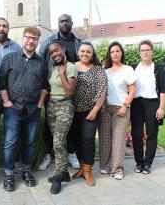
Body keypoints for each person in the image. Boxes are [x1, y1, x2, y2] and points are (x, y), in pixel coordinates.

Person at [0, 26, 48, 192]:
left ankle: (26, 170)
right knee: (10, 142)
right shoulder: (10, 58)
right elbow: (2, 82)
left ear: (37, 41)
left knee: (30, 141)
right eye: (28, 37)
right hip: (13, 108)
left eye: (34, 38)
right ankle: (9, 174)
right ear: (23, 38)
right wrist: (6, 102)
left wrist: (40, 105)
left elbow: (44, 86)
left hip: (33, 109)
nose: (30, 41)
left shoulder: (41, 62)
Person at [38, 14, 82, 170]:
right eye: (61, 21)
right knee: (49, 129)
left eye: (67, 21)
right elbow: (39, 60)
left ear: (71, 23)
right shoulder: (49, 41)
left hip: (70, 90)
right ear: (58, 24)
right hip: (51, 92)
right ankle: (49, 156)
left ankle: (70, 154)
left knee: (70, 126)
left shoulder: (78, 42)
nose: (64, 23)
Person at [71, 41, 107, 186]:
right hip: (73, 111)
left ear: (92, 54)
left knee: (88, 139)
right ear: (78, 52)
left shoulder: (98, 70)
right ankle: (81, 167)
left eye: (88, 52)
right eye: (83, 51)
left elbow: (102, 91)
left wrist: (94, 110)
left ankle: (88, 170)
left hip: (91, 111)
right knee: (76, 140)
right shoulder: (72, 67)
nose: (85, 54)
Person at [98, 41, 136, 180]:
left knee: (118, 139)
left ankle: (118, 169)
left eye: (117, 51)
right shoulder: (104, 70)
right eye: (112, 51)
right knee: (105, 139)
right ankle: (106, 166)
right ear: (109, 54)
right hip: (105, 108)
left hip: (122, 108)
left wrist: (125, 106)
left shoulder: (128, 69)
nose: (115, 53)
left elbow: (132, 90)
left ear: (121, 53)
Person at [131, 39, 165, 174]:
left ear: (152, 51)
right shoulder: (133, 67)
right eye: (142, 50)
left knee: (152, 133)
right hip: (136, 104)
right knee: (136, 134)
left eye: (148, 50)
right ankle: (138, 162)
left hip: (152, 104)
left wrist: (161, 107)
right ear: (139, 52)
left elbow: (163, 90)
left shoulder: (158, 68)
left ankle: (147, 164)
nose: (145, 52)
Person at [45, 40, 77, 194]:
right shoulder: (51, 68)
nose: (55, 54)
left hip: (65, 106)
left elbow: (70, 91)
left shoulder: (71, 67)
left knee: (58, 141)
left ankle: (58, 176)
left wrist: (62, 74)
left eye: (56, 50)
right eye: (51, 52)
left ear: (63, 49)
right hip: (51, 106)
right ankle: (63, 172)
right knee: (59, 141)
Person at [0, 17, 21, 144]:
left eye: (4, 26)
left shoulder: (16, 48)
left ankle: (11, 160)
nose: (1, 28)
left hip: (11, 95)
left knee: (12, 129)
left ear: (8, 29)